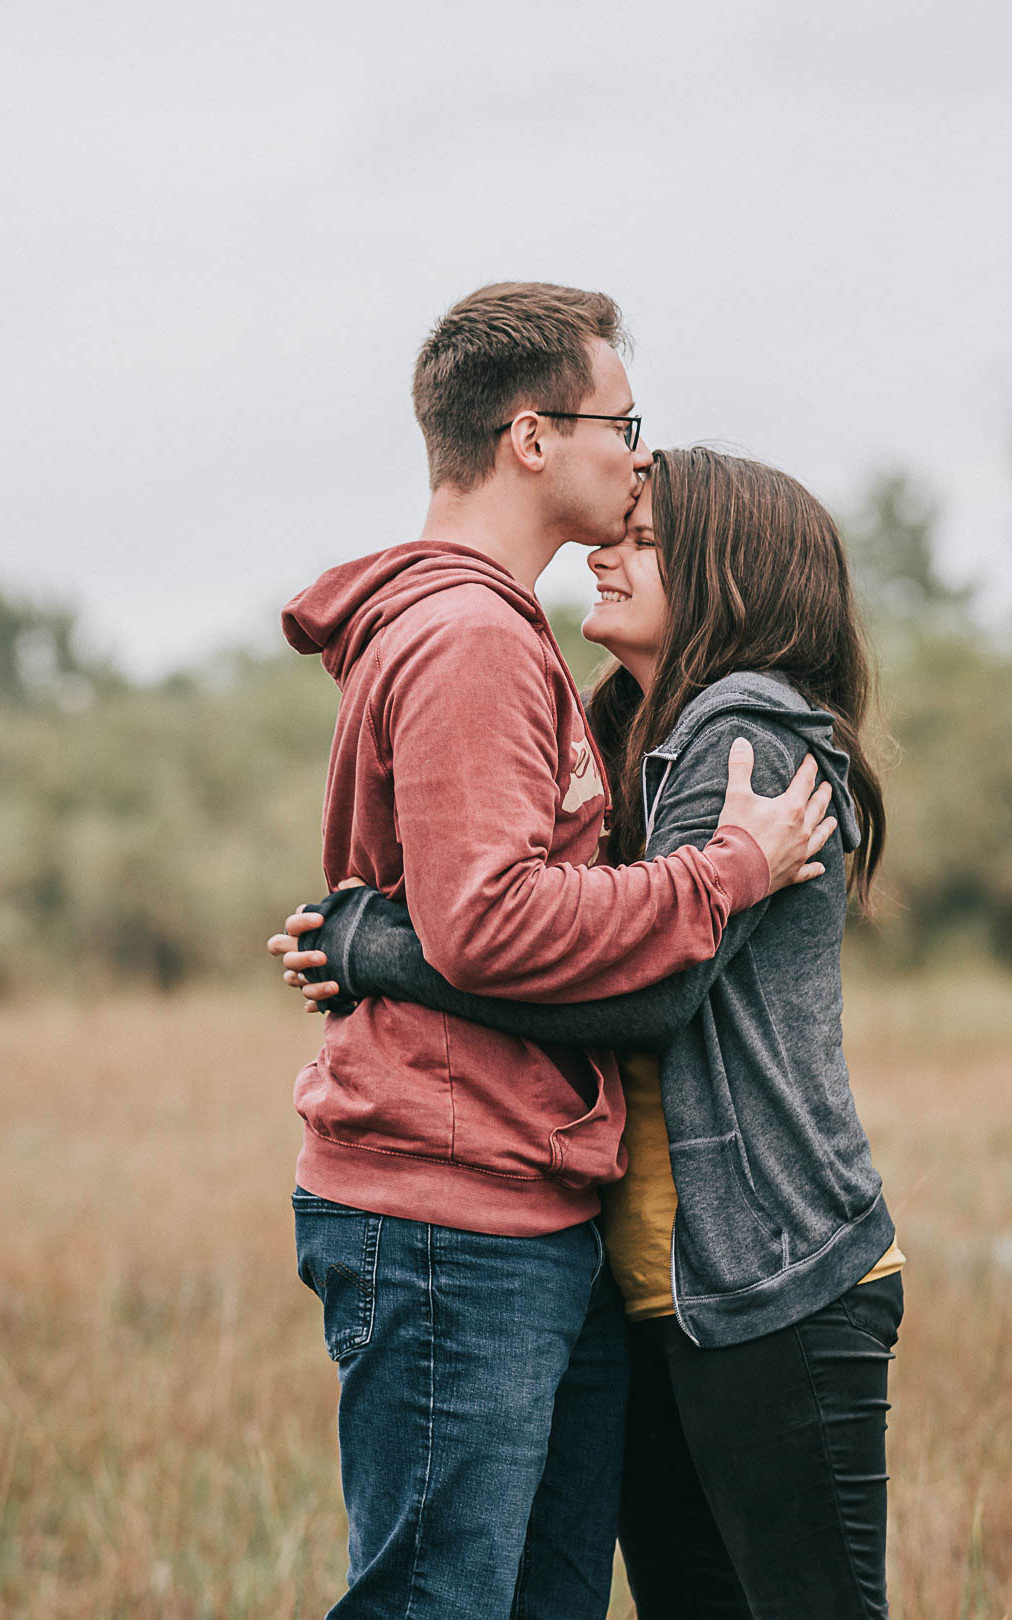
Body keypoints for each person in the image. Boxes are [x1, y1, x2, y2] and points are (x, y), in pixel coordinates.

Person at [271, 285, 836, 1620]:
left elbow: (455, 919)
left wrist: (375, 943)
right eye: (618, 422)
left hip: (513, 1197)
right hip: (450, 1207)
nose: (637, 457)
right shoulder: (471, 636)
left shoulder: (486, 628)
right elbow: (493, 920)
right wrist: (731, 872)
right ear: (532, 437)